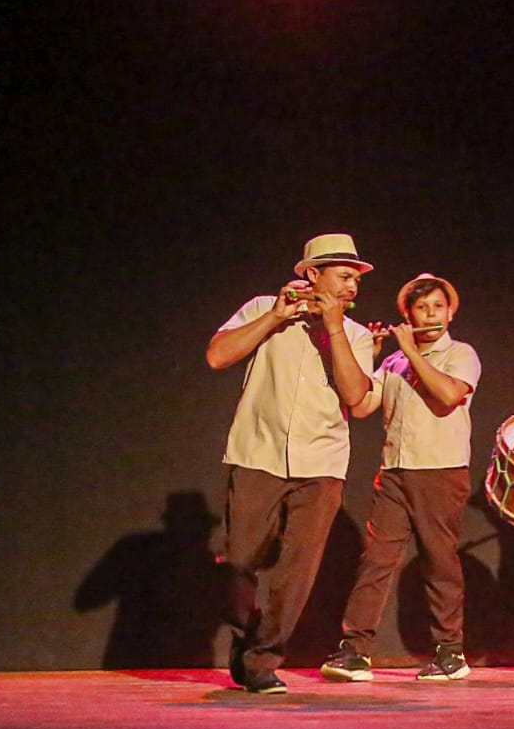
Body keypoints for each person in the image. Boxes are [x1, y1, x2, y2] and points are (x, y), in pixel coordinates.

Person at [206, 233, 376, 693]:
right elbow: (217, 355)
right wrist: (275, 318)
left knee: (296, 572)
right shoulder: (264, 307)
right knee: (238, 560)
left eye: (356, 279)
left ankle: (263, 659)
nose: (352, 286)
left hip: (321, 463)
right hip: (257, 453)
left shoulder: (357, 335)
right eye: (344, 276)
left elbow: (356, 397)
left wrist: (334, 329)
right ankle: (248, 635)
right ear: (313, 274)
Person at [319, 274, 480, 682]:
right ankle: (355, 650)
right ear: (407, 315)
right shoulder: (393, 363)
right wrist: (370, 356)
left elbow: (448, 396)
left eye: (438, 307)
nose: (431, 315)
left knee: (438, 561)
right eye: (422, 308)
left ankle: (451, 652)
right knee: (376, 560)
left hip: (440, 471)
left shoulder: (460, 354)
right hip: (393, 472)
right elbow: (361, 406)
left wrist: (410, 351)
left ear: (451, 312)